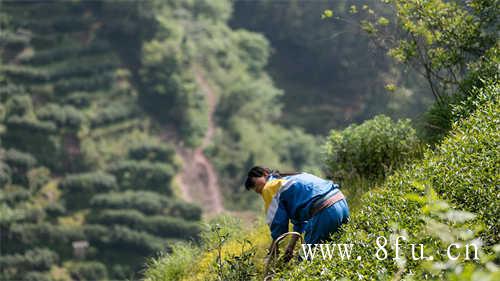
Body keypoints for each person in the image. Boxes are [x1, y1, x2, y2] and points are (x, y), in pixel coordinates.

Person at [245, 166, 350, 259]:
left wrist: (273, 249)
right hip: (340, 202)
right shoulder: (290, 178)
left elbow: (278, 224)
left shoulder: (269, 187)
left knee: (305, 260)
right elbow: (300, 222)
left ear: (265, 174)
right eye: (253, 187)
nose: (256, 188)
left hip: (325, 210)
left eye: (254, 183)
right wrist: (291, 246)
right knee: (335, 253)